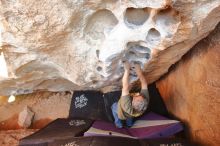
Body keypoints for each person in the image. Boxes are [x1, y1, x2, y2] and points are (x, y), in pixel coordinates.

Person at [111, 61, 150, 128]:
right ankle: (129, 124)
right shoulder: (145, 100)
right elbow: (144, 84)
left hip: (122, 113)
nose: (138, 94)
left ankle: (118, 124)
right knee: (130, 117)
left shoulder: (126, 105)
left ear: (132, 103)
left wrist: (127, 69)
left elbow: (125, 87)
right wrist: (139, 72)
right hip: (131, 114)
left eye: (136, 97)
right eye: (140, 96)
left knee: (113, 106)